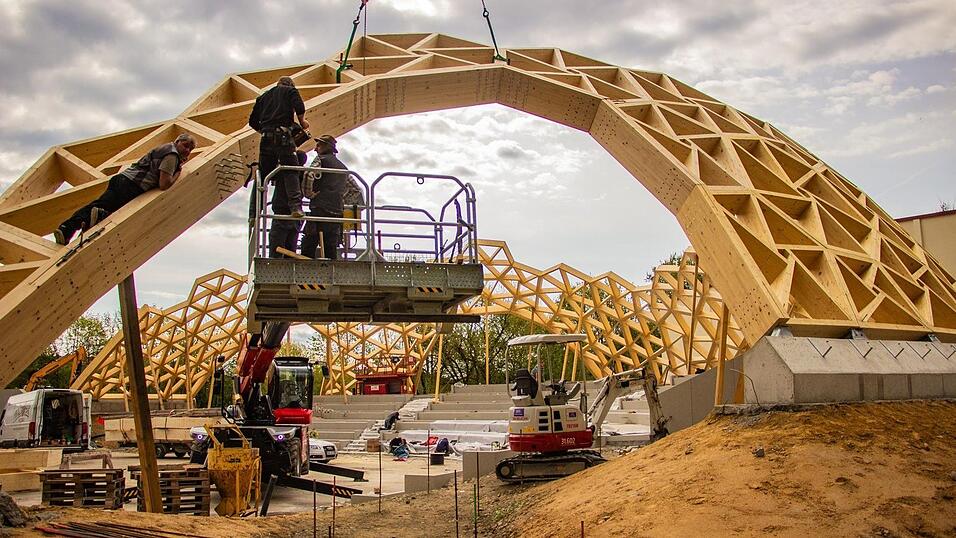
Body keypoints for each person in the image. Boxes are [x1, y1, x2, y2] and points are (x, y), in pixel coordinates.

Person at [54, 134, 196, 245]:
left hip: (122, 179)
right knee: (104, 207)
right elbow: (164, 184)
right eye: (185, 146)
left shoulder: (163, 149)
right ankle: (78, 224)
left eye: (190, 149)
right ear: (177, 142)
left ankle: (68, 228)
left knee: (100, 206)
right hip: (132, 185)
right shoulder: (172, 156)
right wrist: (178, 172)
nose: (187, 150)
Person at [247, 76, 309, 241]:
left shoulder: (263, 97)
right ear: (289, 85)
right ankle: (296, 207)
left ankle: (254, 213)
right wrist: (302, 122)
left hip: (266, 138)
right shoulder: (290, 91)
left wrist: (265, 130)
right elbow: (299, 106)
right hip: (283, 137)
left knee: (263, 175)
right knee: (291, 170)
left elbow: (252, 121)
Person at [301, 135, 348, 259]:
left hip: (320, 210)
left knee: (309, 244)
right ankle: (331, 274)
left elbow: (308, 174)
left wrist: (308, 194)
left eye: (318, 145)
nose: (316, 149)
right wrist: (340, 198)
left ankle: (305, 272)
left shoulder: (321, 160)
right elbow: (356, 190)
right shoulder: (343, 168)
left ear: (327, 147)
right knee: (331, 247)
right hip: (337, 213)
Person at [267, 150, 309, 258]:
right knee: (291, 251)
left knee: (276, 251)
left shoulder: (283, 171)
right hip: (296, 218)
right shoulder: (304, 174)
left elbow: (268, 175)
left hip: (281, 214)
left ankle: (275, 270)